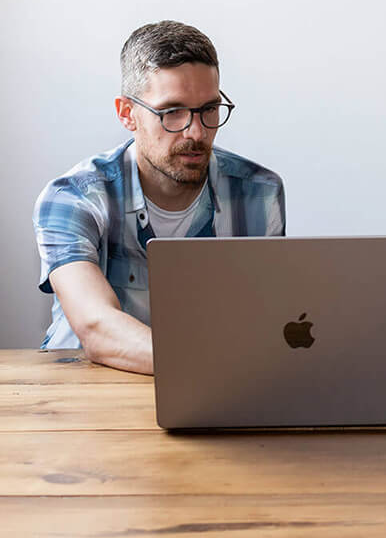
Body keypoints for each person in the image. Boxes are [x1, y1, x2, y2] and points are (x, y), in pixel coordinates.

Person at [33, 21, 285, 374]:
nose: (196, 132)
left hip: (210, 385)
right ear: (127, 113)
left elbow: (263, 316)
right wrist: (216, 366)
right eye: (172, 112)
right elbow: (96, 326)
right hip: (86, 389)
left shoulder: (258, 192)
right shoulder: (71, 198)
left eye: (209, 109)